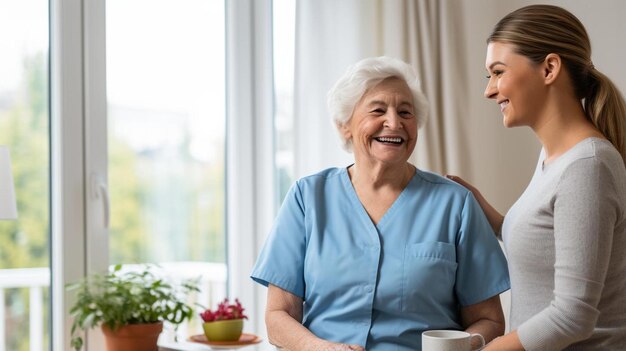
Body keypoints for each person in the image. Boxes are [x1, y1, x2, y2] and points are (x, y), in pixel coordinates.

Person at [251, 56, 510, 351]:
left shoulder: (455, 203)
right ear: (344, 125)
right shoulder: (307, 197)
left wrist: (457, 347)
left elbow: (489, 320)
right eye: (377, 110)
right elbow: (278, 315)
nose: (394, 122)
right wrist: (321, 348)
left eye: (405, 112)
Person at [447, 4, 626, 350]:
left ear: (549, 68)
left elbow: (572, 316)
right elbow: (550, 242)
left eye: (498, 72)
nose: (489, 90)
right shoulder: (555, 157)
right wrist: (488, 215)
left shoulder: (587, 166)